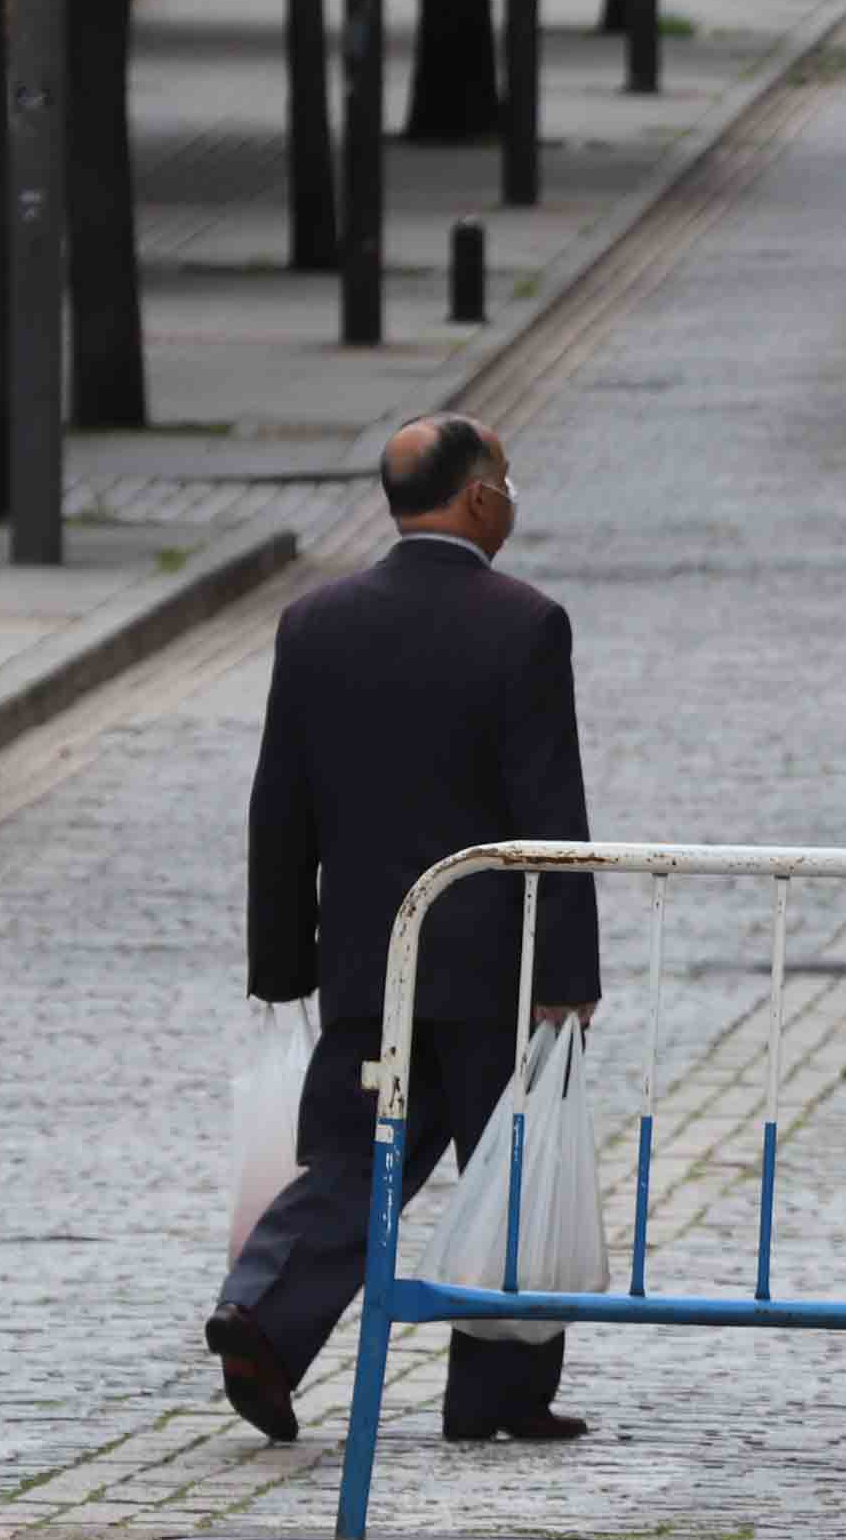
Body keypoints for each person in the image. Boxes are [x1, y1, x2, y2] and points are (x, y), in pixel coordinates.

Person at [206, 413, 601, 1446]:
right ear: (477, 498)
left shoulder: (316, 621)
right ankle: (496, 1393)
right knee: (506, 1167)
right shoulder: (525, 622)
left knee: (351, 1156)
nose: (512, 500)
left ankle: (262, 1313)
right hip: (490, 967)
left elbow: (279, 803)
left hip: (369, 961)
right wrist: (569, 972)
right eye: (507, 482)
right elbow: (549, 813)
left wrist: (282, 956)